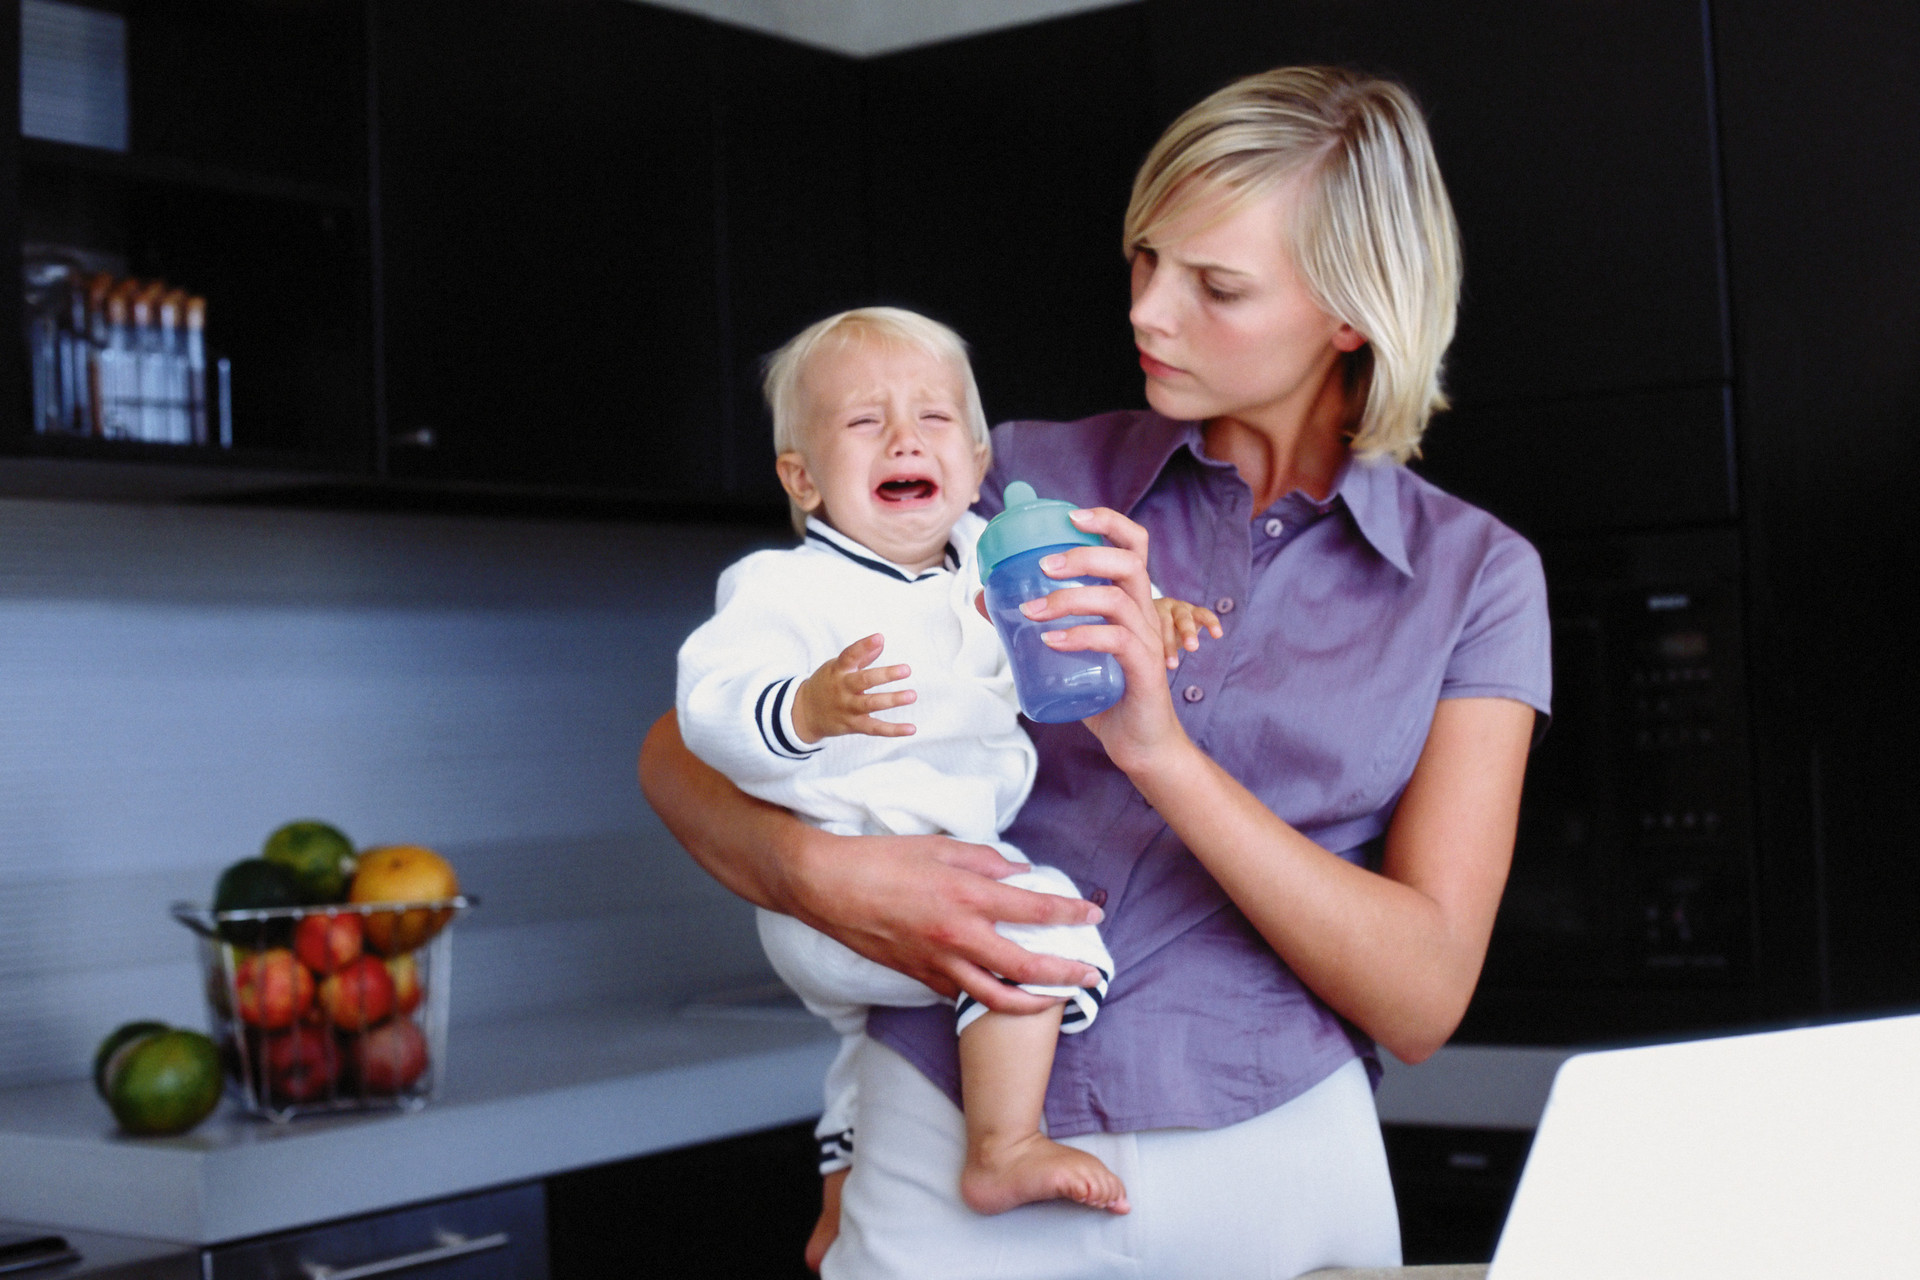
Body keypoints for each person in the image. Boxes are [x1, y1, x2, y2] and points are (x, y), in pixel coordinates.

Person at [641, 66, 1550, 1279]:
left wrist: (1157, 749)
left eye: (1215, 286)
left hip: (1272, 1151)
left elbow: (1425, 995)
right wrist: (833, 880)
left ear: (1350, 314)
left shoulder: (1474, 577)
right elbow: (677, 751)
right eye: (1144, 260)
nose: (1149, 313)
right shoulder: (1003, 477)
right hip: (948, 1130)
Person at [675, 307, 1223, 1263]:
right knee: (1045, 915)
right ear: (802, 477)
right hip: (834, 890)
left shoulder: (992, 564)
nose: (903, 438)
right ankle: (1004, 1143)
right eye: (862, 423)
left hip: (930, 869)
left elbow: (1067, 628)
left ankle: (837, 1199)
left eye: (934, 421)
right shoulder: (781, 588)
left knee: (861, 1046)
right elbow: (707, 710)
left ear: (975, 466)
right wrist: (804, 709)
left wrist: (1149, 614)